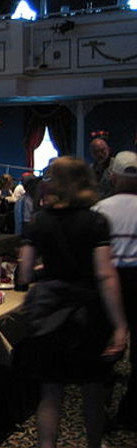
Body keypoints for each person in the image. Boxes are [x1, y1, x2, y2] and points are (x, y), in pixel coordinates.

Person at [17, 157, 127, 448]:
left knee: (50, 392)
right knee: (93, 389)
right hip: (87, 314)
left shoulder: (39, 221)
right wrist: (119, 325)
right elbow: (105, 275)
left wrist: (47, 269)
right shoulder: (96, 221)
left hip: (48, 313)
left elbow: (26, 272)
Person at [92, 150, 137, 429]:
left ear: (112, 176)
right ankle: (131, 411)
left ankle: (100, 406)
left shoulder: (100, 210)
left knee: (105, 345)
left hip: (109, 280)